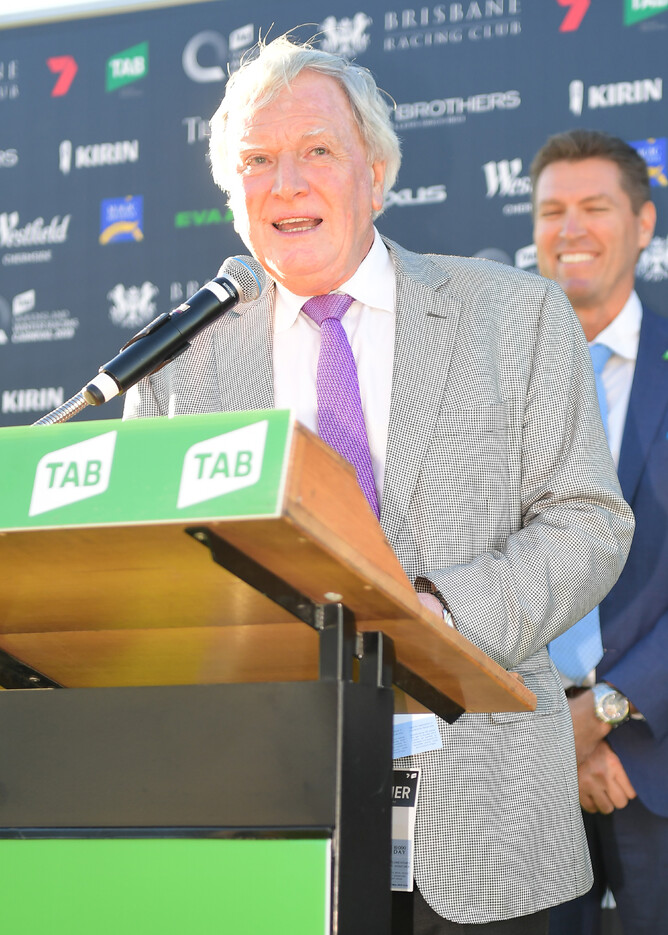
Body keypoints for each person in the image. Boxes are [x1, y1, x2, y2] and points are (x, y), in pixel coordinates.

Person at [124, 38, 634, 933]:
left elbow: (588, 522)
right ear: (232, 195)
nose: (286, 183)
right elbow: (151, 571)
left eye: (317, 150)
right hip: (265, 817)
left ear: (378, 173)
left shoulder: (514, 315)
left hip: (485, 823)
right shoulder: (179, 363)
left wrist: (441, 614)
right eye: (257, 160)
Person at [531, 129, 668, 935]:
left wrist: (608, 710)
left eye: (594, 207)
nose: (571, 228)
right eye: (552, 210)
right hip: (524, 769)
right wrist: (559, 727)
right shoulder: (496, 383)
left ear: (644, 224)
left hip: (653, 756)